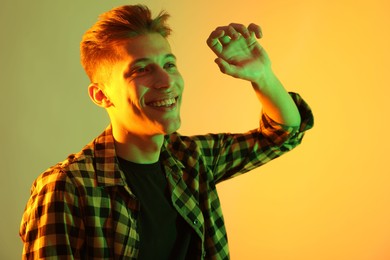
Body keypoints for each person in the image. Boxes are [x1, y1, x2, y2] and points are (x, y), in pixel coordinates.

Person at [19, 4, 313, 259]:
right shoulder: (68, 187)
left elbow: (284, 133)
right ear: (101, 96)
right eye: (141, 70)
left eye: (169, 64)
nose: (165, 81)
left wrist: (261, 75)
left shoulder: (192, 160)